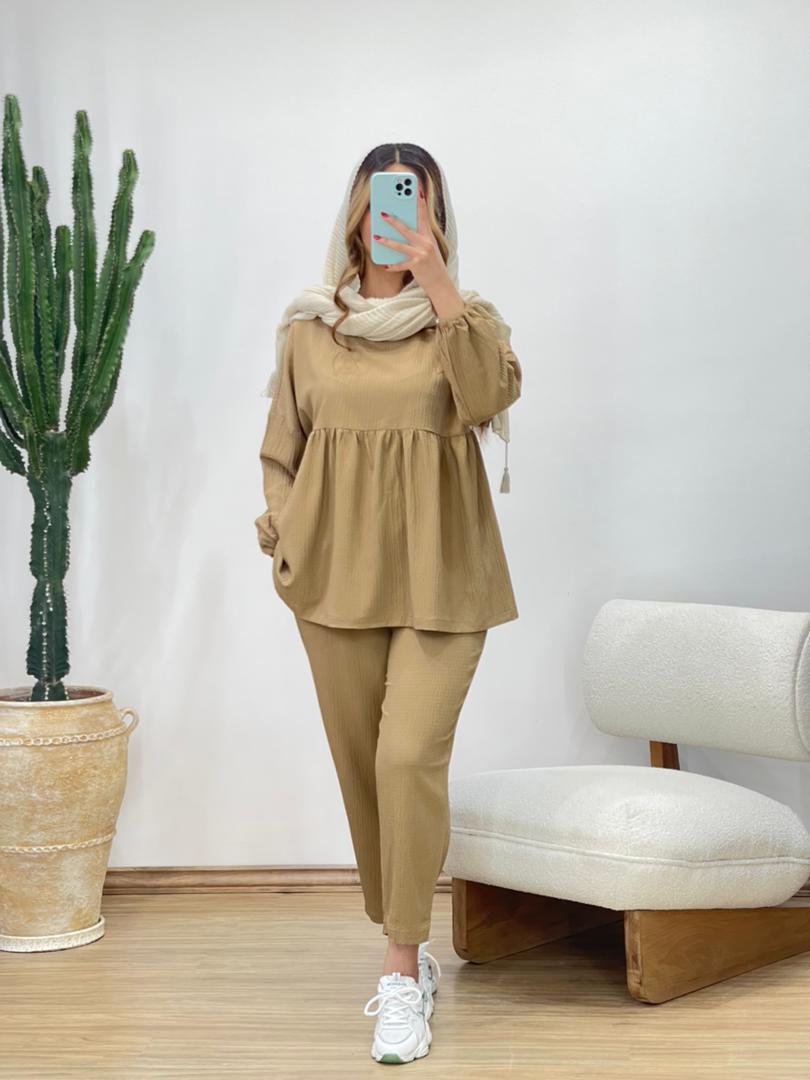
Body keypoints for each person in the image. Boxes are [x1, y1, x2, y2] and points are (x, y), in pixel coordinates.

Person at [255, 142, 522, 1064]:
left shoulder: (465, 323)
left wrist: (440, 285)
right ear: (357, 214)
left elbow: (489, 397)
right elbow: (281, 450)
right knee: (364, 769)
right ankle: (404, 931)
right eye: (384, 203)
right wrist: (286, 534)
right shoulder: (309, 328)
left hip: (445, 577)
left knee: (408, 757)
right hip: (333, 578)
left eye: (417, 205)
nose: (398, 220)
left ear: (436, 220)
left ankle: (400, 969)